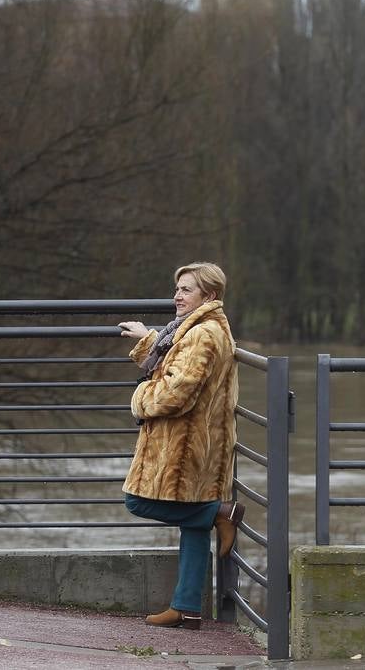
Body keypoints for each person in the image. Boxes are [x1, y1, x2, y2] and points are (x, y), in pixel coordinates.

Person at [117, 262, 243, 630]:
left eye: (187, 290)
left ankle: (220, 513)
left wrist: (139, 397)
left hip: (188, 442)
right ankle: (186, 607)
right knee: (192, 521)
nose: (177, 296)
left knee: (136, 501)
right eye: (178, 288)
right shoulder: (199, 329)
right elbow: (174, 364)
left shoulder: (203, 334)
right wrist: (148, 339)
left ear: (210, 296)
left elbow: (174, 393)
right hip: (201, 441)